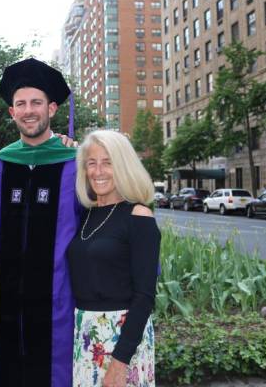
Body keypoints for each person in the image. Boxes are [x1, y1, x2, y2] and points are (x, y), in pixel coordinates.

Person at [0, 58, 81, 387]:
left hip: (56, 307)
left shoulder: (76, 165)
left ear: (52, 109)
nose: (28, 110)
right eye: (21, 104)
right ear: (12, 112)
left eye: (36, 103)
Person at [67, 130, 160, 387]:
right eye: (92, 163)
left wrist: (120, 362)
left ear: (123, 166)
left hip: (122, 340)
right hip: (85, 335)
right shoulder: (84, 215)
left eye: (108, 162)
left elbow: (145, 296)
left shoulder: (139, 216)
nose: (98, 171)